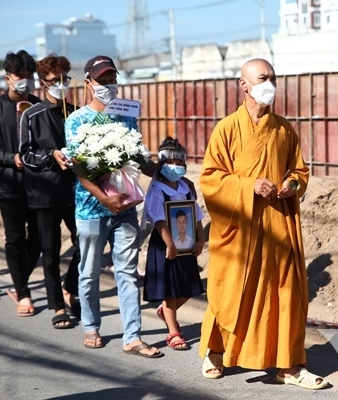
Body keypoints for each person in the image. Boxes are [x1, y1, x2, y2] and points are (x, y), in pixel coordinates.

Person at [198, 58, 328, 390]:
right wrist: (248, 185)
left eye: (273, 77)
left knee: (285, 293)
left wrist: (292, 186)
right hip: (239, 227)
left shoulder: (284, 128)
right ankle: (215, 351)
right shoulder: (227, 128)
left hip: (279, 224)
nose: (269, 83)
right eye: (262, 78)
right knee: (230, 292)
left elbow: (299, 172)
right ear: (244, 84)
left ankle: (289, 365)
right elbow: (211, 179)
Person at [64, 55, 161, 357]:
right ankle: (91, 325)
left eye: (111, 79)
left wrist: (163, 169)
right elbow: (79, 167)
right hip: (91, 209)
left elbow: (140, 158)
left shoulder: (127, 115)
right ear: (89, 83)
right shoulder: (76, 120)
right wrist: (103, 197)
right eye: (102, 80)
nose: (108, 85)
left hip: (126, 207)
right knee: (90, 271)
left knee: (128, 272)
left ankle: (132, 335)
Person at [0, 50, 41, 317]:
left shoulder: (39, 106)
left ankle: (19, 280)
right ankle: (24, 293)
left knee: (38, 239)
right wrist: (11, 158)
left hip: (40, 186)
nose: (25, 81)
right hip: (9, 186)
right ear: (8, 78)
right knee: (15, 239)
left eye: (29, 76)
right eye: (20, 77)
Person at [19, 54, 79, 328]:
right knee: (51, 251)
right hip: (44, 193)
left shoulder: (76, 112)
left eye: (64, 79)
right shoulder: (31, 114)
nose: (61, 84)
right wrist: (51, 156)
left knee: (86, 244)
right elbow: (25, 154)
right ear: (43, 83)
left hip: (77, 191)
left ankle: (70, 287)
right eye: (55, 80)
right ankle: (57, 306)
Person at [143, 137, 205, 351]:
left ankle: (165, 312)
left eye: (180, 164)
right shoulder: (157, 190)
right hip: (165, 246)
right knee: (170, 291)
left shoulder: (186, 188)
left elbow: (196, 215)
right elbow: (159, 220)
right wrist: (170, 244)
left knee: (188, 287)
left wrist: (201, 239)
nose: (176, 167)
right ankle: (173, 331)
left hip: (187, 246)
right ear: (160, 165)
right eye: (171, 163)